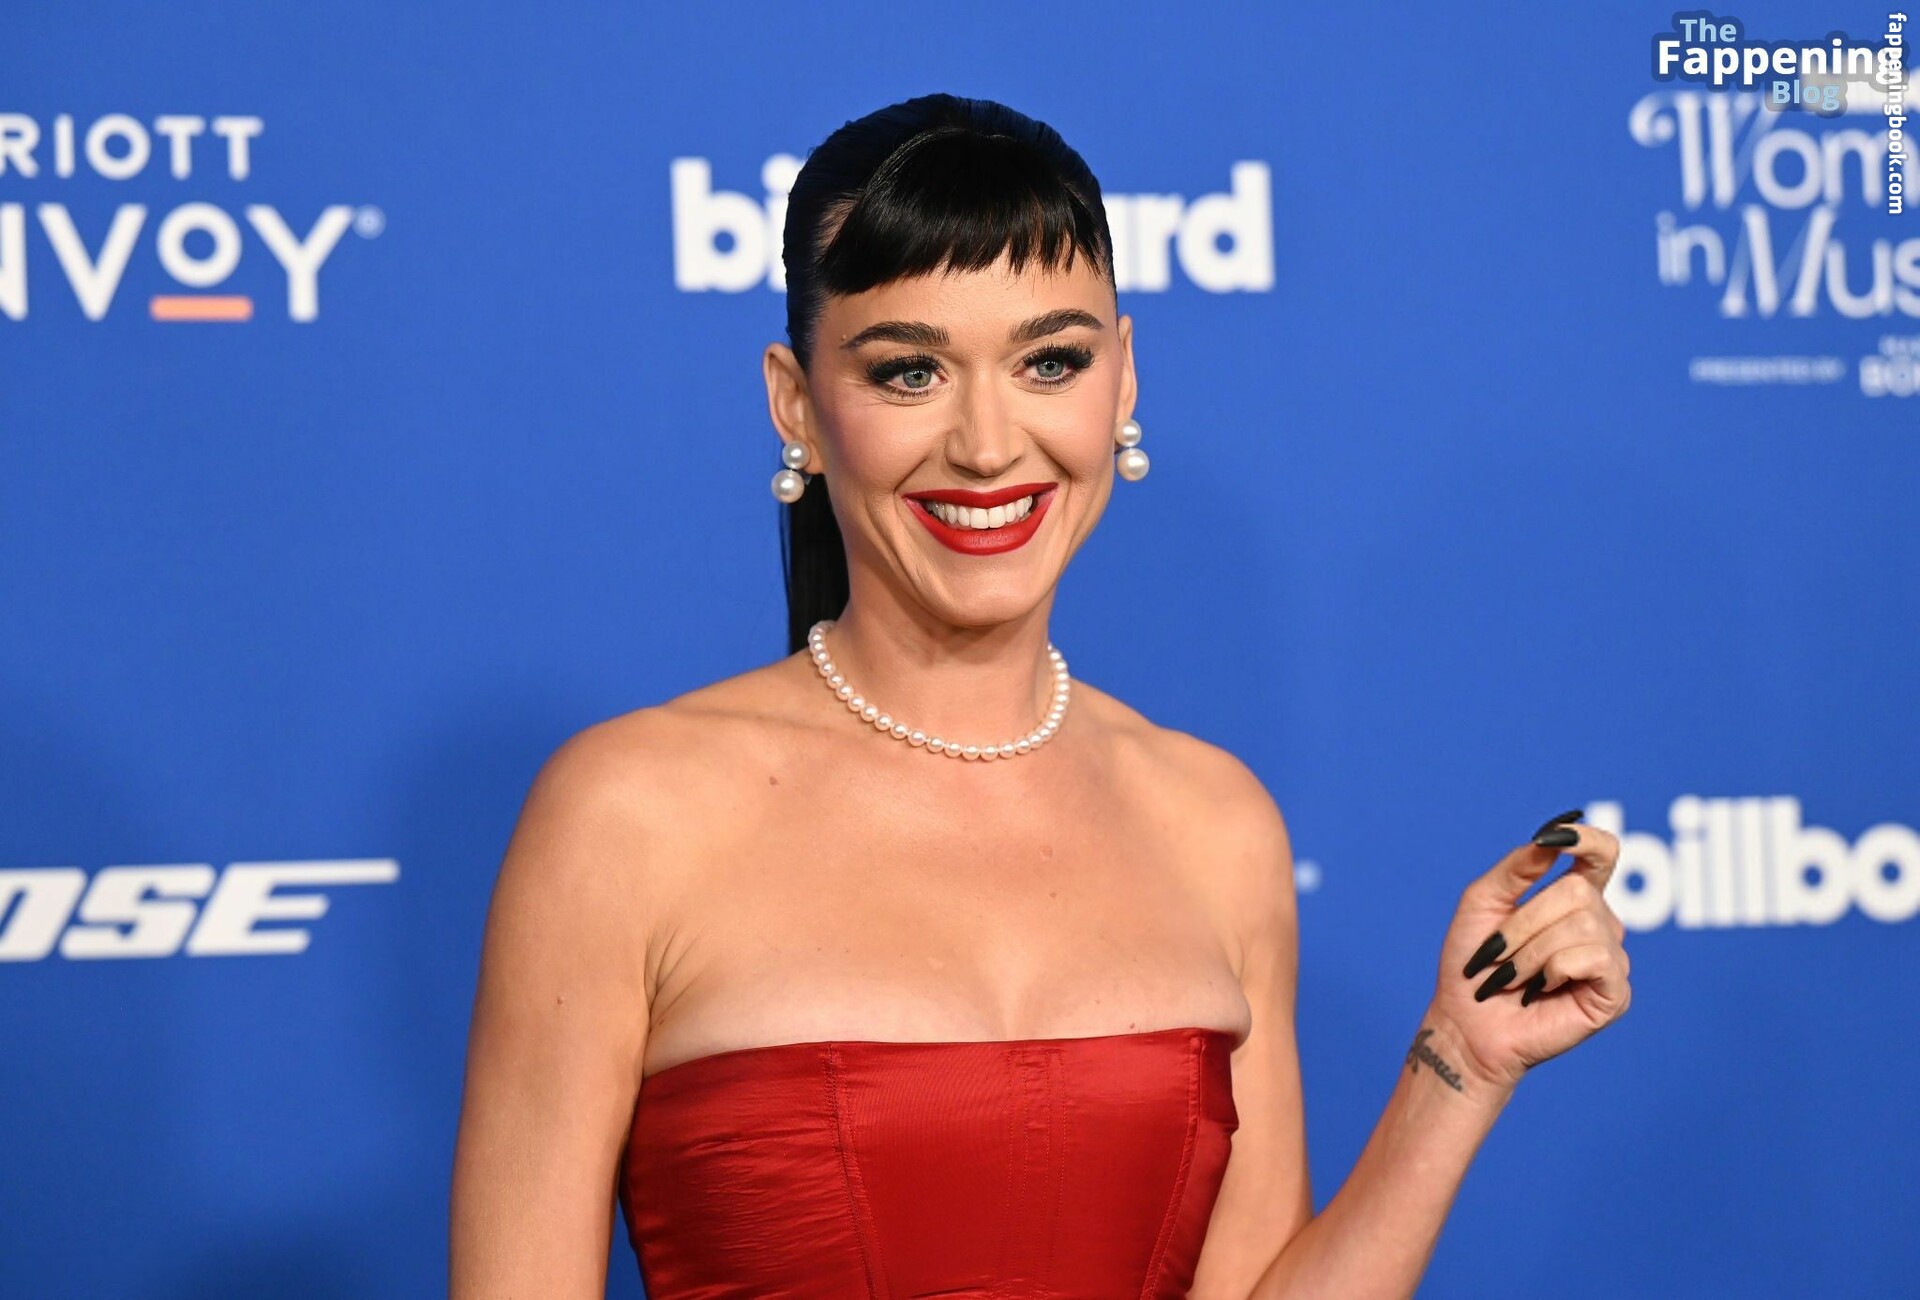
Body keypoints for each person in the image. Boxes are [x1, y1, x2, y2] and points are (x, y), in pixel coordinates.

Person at [448, 92, 1632, 1299]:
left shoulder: (1213, 821)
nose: (986, 444)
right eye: (910, 371)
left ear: (1123, 377)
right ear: (796, 403)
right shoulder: (627, 817)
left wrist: (1460, 1064)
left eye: (1049, 362)